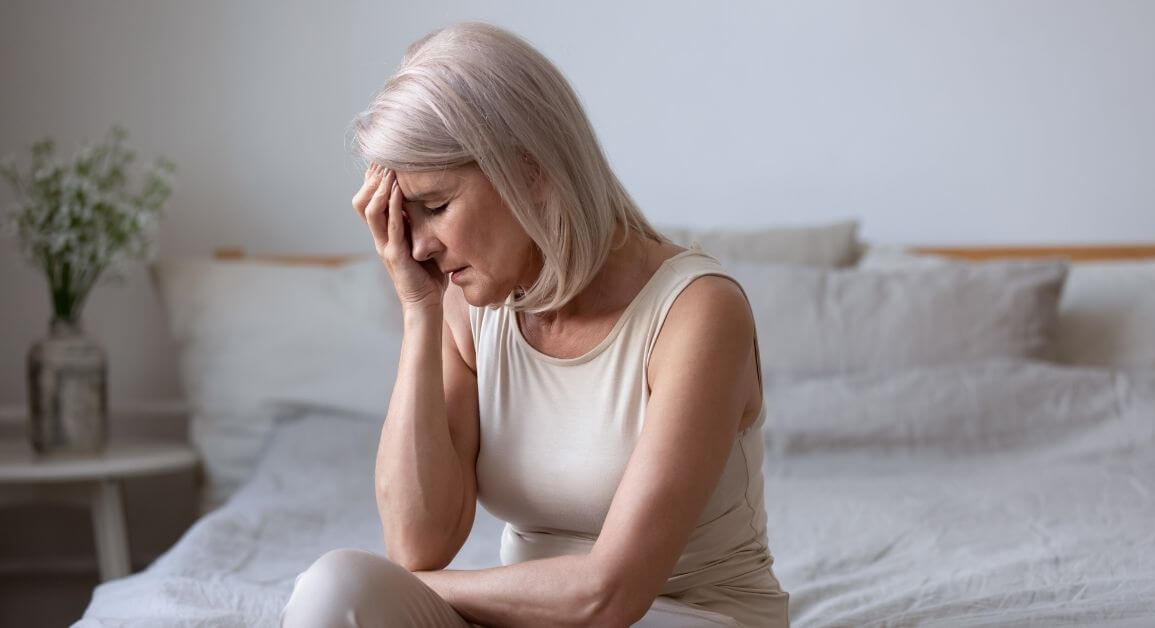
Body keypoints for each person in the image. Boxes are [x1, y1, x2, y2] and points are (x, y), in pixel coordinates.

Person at [280, 21, 788, 628]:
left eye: (436, 206)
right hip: (526, 619)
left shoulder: (697, 313)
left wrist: (426, 591)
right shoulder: (469, 305)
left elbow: (610, 594)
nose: (417, 247)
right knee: (337, 588)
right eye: (403, 217)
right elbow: (418, 546)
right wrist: (419, 312)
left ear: (531, 170)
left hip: (676, 616)